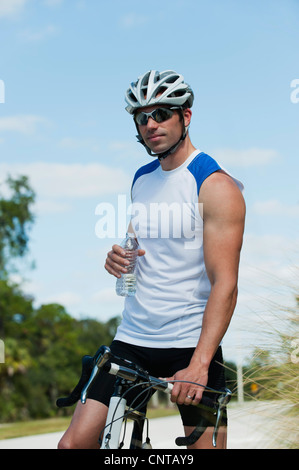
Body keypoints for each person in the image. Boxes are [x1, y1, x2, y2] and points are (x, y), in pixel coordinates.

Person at [58, 69, 245, 450]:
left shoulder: (215, 184)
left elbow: (225, 284)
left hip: (190, 341)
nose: (150, 124)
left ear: (186, 116)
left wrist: (200, 364)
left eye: (161, 113)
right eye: (142, 117)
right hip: (132, 337)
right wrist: (116, 259)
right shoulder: (142, 178)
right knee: (72, 445)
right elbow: (139, 246)